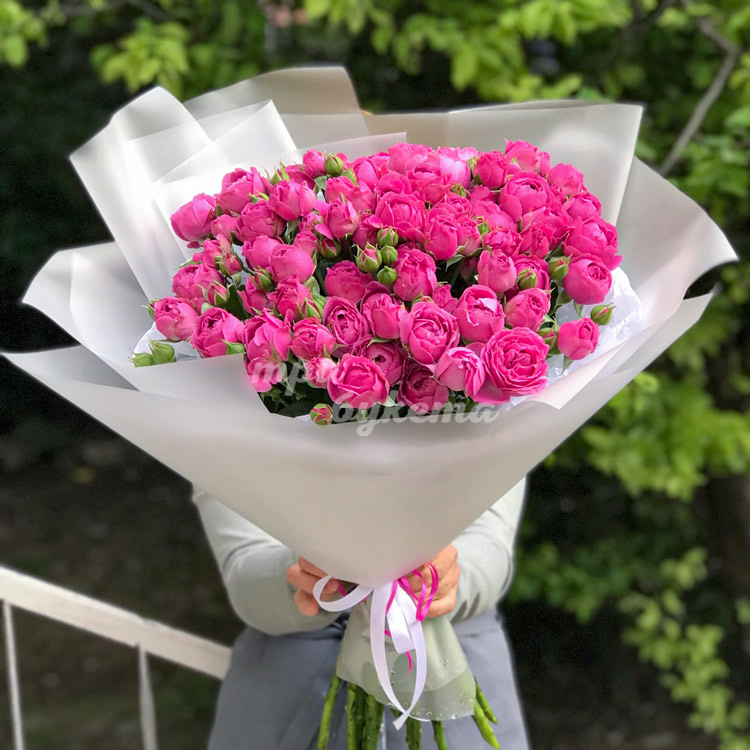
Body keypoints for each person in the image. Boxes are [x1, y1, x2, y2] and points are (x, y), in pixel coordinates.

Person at [193, 478, 530, 750]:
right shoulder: (226, 416)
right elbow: (243, 566)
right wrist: (310, 575)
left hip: (449, 667)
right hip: (285, 692)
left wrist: (444, 579)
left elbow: (491, 540)